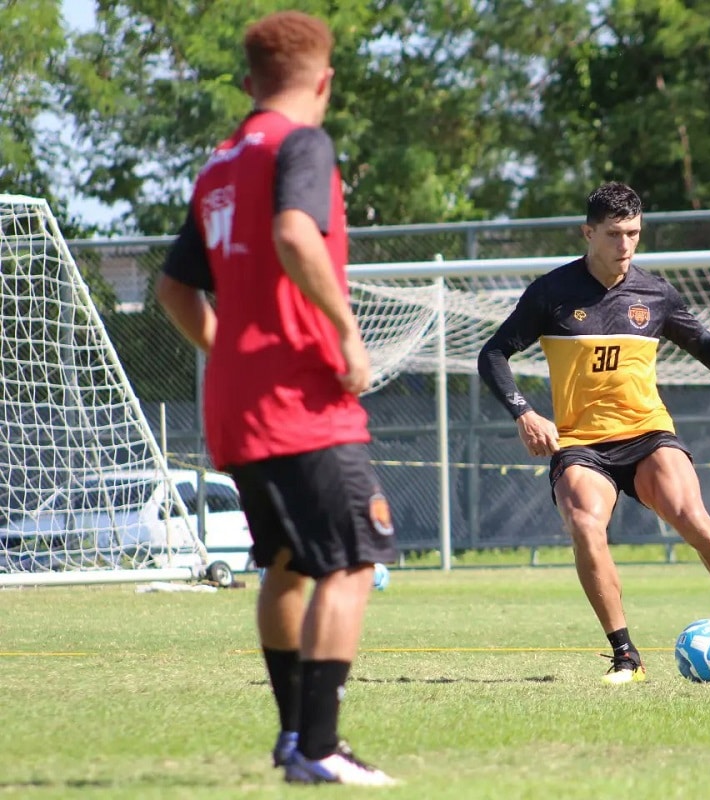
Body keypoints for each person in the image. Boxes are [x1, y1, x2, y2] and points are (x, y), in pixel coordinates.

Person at [154, 11, 393, 786]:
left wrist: (230, 355)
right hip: (301, 399)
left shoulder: (220, 163)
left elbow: (173, 287)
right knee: (354, 560)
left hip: (237, 402)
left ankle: (294, 741)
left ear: (248, 83)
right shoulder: (304, 144)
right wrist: (346, 332)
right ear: (323, 81)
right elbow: (295, 234)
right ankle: (321, 747)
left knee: (287, 564)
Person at [477, 182, 710, 685]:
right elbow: (493, 354)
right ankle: (626, 657)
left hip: (647, 433)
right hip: (580, 442)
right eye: (615, 234)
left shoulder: (655, 293)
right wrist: (524, 413)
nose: (625, 245)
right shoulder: (551, 293)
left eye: (634, 233)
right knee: (584, 526)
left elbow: (704, 344)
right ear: (588, 233)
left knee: (692, 517)